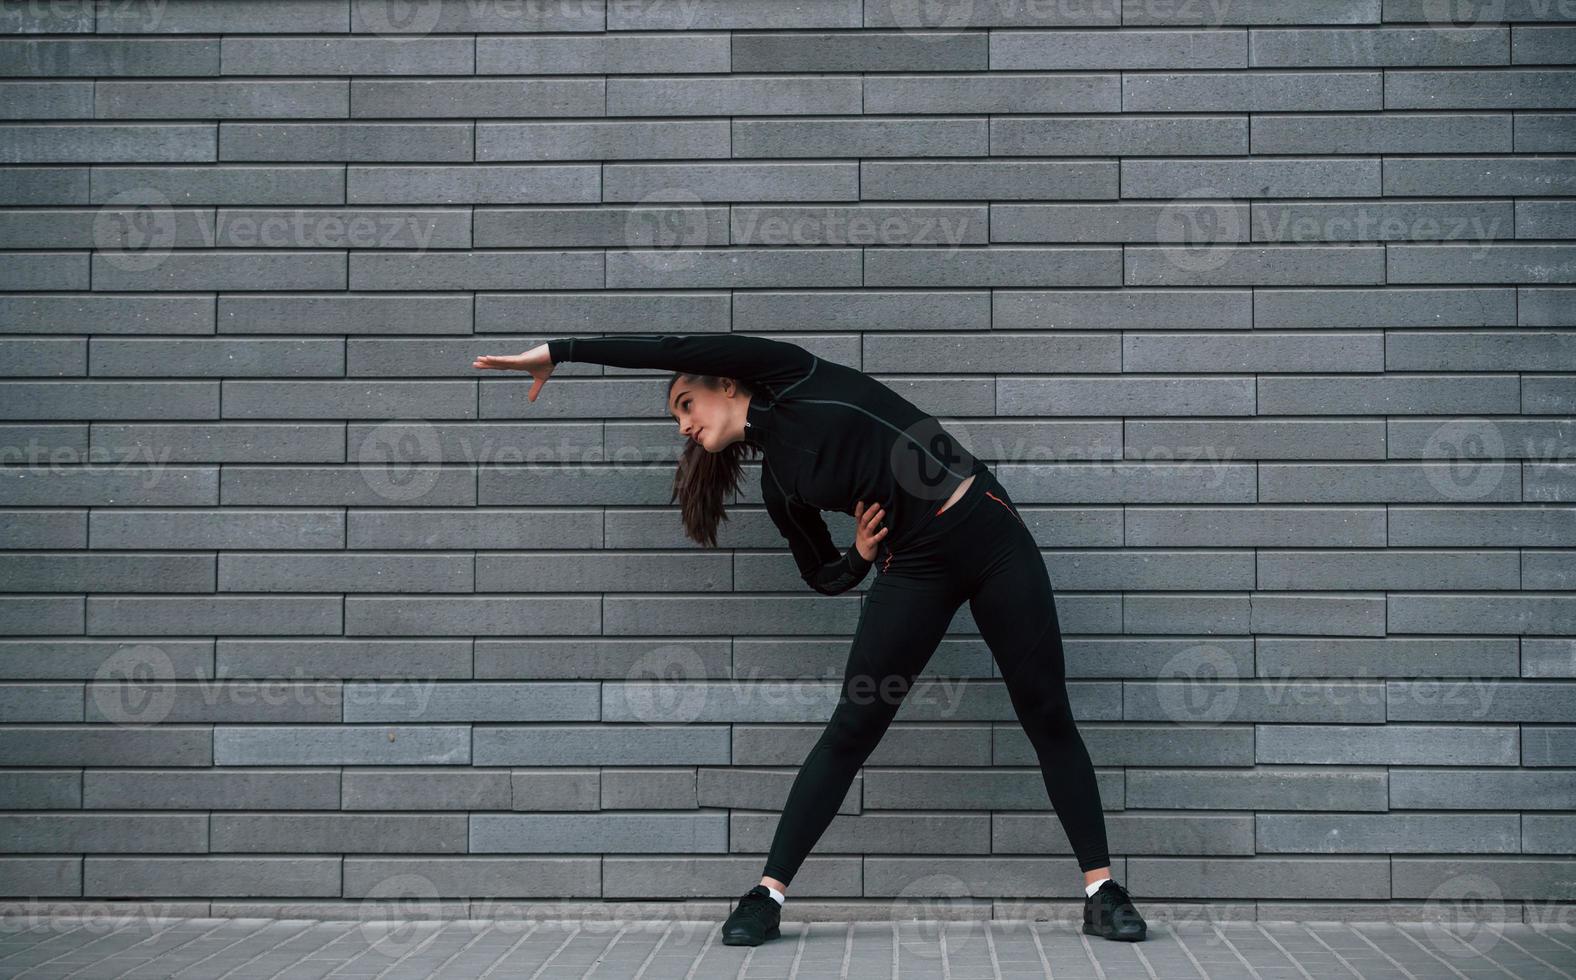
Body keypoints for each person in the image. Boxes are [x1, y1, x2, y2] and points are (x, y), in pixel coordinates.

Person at [473, 333, 1147, 945]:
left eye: (686, 403)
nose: (683, 424)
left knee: (1046, 711)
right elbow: (821, 574)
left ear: (727, 383)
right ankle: (765, 897)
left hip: (988, 532)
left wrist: (559, 352)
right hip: (914, 566)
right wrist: (857, 555)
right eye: (676, 418)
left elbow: (665, 343)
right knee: (852, 728)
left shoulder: (792, 374)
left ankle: (1101, 890)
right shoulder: (781, 486)